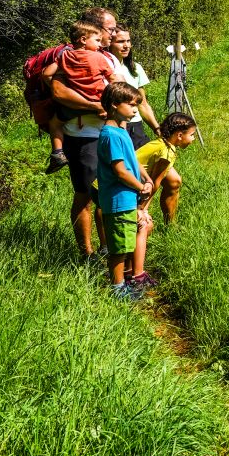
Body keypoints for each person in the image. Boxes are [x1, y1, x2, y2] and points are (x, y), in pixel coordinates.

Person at [50, 7, 118, 260]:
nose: (113, 33)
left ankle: (107, 249)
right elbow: (58, 92)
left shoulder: (103, 57)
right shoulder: (72, 57)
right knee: (86, 195)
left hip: (108, 132)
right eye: (110, 29)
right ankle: (86, 255)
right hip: (83, 136)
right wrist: (94, 106)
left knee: (108, 192)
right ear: (94, 29)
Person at [128, 112, 197, 287]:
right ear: (179, 136)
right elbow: (156, 182)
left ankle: (130, 271)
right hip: (122, 188)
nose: (193, 139)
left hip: (124, 186)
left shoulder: (161, 144)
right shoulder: (166, 152)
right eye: (192, 135)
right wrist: (143, 209)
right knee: (144, 225)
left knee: (142, 225)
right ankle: (133, 275)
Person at [97, 81, 152, 300]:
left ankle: (126, 281)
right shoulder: (110, 135)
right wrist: (140, 187)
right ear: (113, 105)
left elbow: (132, 160)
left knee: (127, 241)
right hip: (118, 199)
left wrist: (146, 178)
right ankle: (117, 289)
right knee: (119, 248)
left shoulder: (121, 131)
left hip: (128, 198)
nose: (135, 109)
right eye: (130, 105)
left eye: (137, 104)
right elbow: (120, 171)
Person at [43, 20, 115, 174]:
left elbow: (47, 74)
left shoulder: (65, 56)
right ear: (83, 40)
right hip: (99, 102)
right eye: (96, 40)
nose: (99, 44)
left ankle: (57, 153)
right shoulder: (99, 58)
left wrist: (54, 84)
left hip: (72, 106)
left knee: (55, 123)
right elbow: (113, 80)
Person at [108, 27, 159, 149]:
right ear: (109, 43)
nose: (126, 46)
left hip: (136, 127)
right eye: (120, 42)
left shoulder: (135, 68)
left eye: (128, 41)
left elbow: (143, 104)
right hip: (115, 127)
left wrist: (157, 129)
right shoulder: (106, 69)